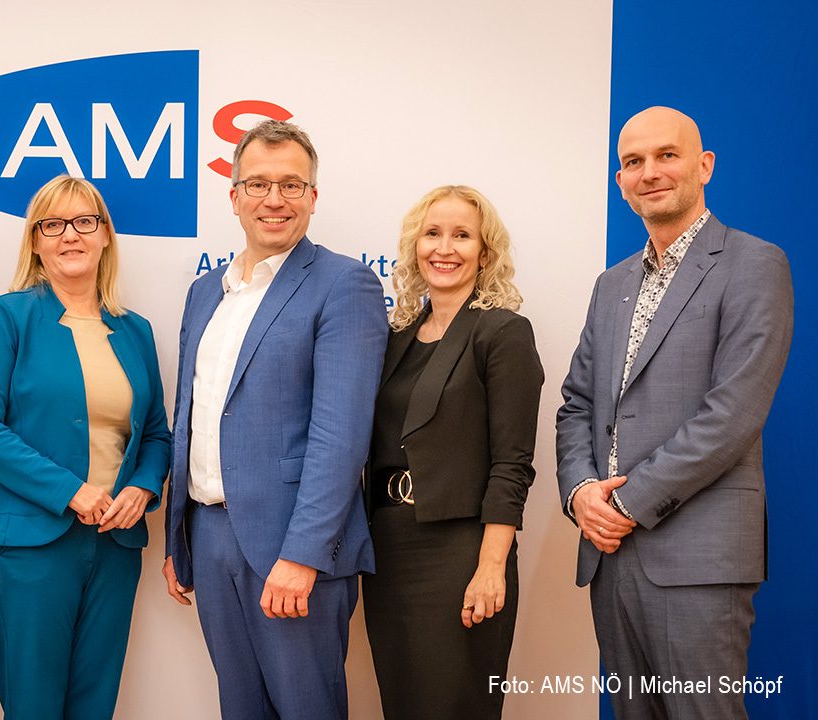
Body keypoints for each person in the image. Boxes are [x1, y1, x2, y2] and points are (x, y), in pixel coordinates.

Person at [556, 106, 793, 719]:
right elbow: (577, 403)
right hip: (610, 557)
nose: (649, 172)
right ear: (620, 181)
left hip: (696, 558)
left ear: (704, 166)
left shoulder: (753, 263)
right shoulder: (611, 285)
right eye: (633, 162)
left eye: (667, 155)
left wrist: (624, 505)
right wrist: (582, 490)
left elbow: (733, 413)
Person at [162, 120, 388, 719]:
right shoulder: (205, 291)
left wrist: (304, 554)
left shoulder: (344, 284)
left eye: (292, 184)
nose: (274, 199)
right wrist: (178, 536)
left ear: (313, 197)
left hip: (293, 545)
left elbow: (340, 437)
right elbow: (192, 415)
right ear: (233, 195)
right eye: (258, 184)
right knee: (240, 709)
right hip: (209, 538)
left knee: (306, 708)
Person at [0, 175, 172, 719]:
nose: (69, 235)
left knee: (94, 706)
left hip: (115, 545)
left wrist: (144, 488)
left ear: (105, 236)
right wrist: (70, 490)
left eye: (84, 222)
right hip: (31, 544)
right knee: (33, 707)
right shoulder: (8, 316)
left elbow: (155, 435)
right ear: (35, 241)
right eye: (53, 225)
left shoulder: (136, 331)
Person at [363, 185, 542, 718]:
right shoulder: (396, 336)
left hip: (462, 550)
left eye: (463, 235)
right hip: (389, 548)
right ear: (415, 247)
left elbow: (513, 465)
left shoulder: (502, 333)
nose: (445, 247)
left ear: (485, 253)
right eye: (433, 234)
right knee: (403, 704)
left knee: (454, 705)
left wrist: (491, 566)